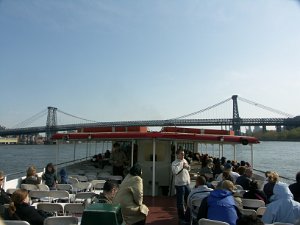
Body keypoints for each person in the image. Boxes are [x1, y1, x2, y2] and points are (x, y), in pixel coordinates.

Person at [171, 147, 191, 224]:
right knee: (180, 203)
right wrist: (182, 166)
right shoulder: (174, 163)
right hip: (180, 185)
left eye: (183, 154)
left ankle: (188, 216)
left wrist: (188, 166)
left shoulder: (185, 160)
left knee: (188, 201)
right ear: (177, 155)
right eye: (181, 154)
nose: (183, 155)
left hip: (187, 184)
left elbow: (189, 169)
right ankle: (181, 218)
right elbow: (175, 172)